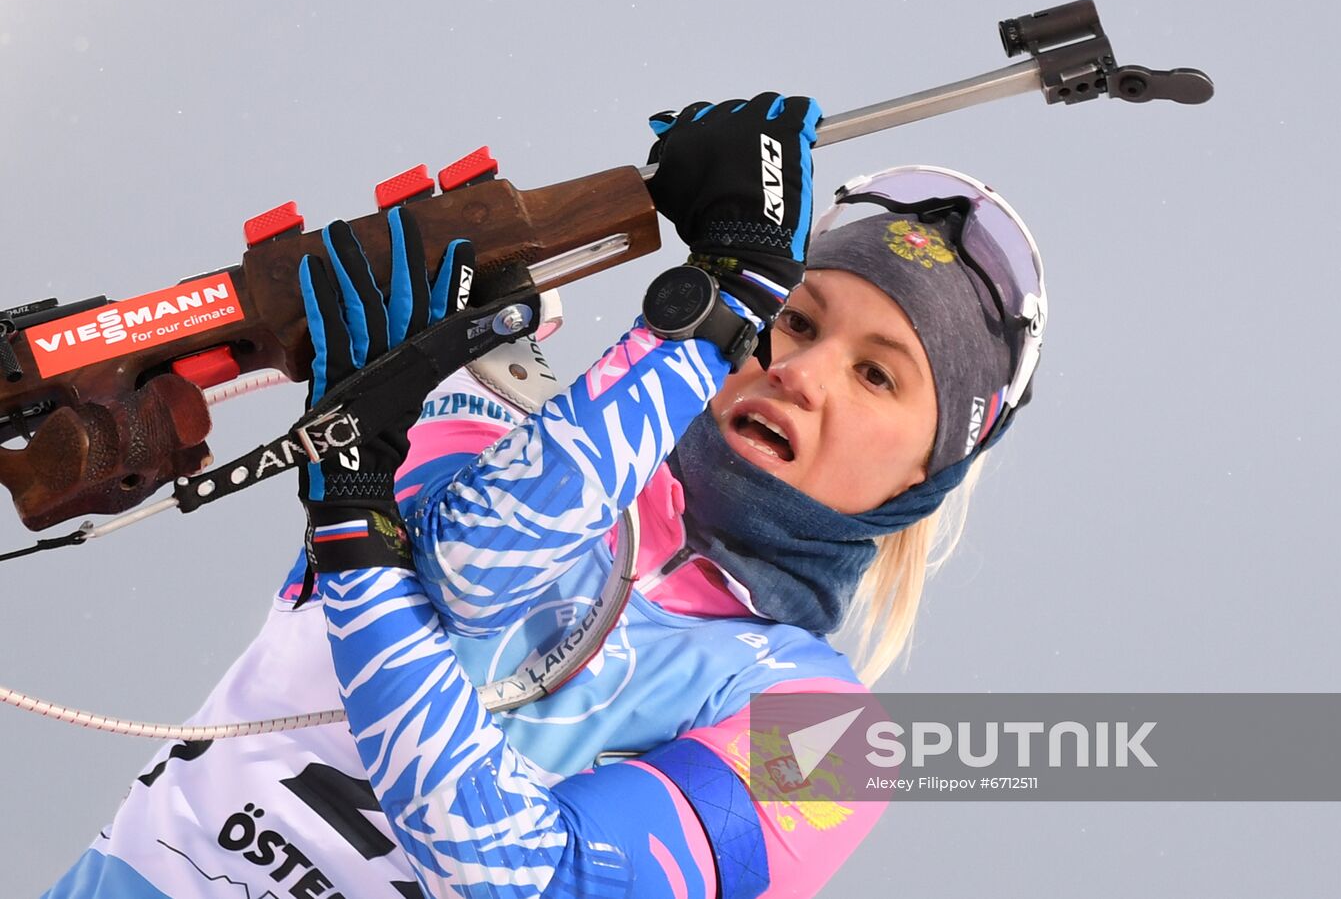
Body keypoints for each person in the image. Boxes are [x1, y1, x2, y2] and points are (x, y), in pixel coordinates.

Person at [45, 94, 1046, 898]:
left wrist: (356, 518)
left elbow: (525, 876)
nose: (802, 372)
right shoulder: (500, 422)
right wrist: (717, 305)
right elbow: (461, 575)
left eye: (877, 375)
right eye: (792, 319)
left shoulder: (832, 739)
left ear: (927, 471)